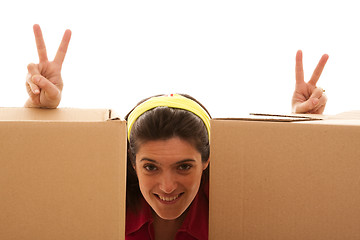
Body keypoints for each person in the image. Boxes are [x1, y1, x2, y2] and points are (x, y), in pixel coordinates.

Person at [25, 24, 329, 240]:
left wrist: (300, 129)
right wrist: (40, 109)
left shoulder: (234, 211)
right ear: (132, 164)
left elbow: (299, 197)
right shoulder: (103, 207)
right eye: (150, 167)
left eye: (184, 166)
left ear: (207, 161)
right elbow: (38, 184)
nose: (167, 186)